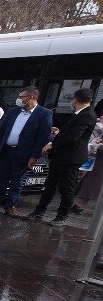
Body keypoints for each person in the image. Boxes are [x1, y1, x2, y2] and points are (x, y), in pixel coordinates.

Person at [24, 88, 98, 225]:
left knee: (66, 188)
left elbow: (73, 137)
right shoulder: (78, 114)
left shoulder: (87, 115)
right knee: (50, 186)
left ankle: (62, 216)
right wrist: (57, 137)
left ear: (75, 99)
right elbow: (67, 133)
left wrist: (53, 144)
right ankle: (39, 211)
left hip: (71, 158)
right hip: (61, 156)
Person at [0, 86, 53, 217]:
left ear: (31, 97)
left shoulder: (44, 114)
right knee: (0, 180)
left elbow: (42, 137)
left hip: (23, 154)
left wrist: (34, 156)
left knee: (16, 181)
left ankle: (10, 206)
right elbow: (2, 132)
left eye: (21, 97)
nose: (19, 99)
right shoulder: (13, 111)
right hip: (6, 151)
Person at [72, 102, 103, 215]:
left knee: (92, 182)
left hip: (97, 153)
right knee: (91, 182)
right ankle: (79, 205)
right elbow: (96, 134)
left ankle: (79, 205)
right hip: (98, 156)